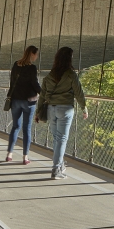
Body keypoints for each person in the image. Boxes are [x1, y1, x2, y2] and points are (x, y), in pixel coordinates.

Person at [36, 47, 88, 179]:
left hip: (50, 109)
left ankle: (59, 165)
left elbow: (42, 95)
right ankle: (56, 170)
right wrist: (84, 108)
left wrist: (38, 111)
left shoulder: (50, 75)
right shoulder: (71, 74)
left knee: (57, 139)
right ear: (69, 59)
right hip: (65, 109)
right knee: (61, 139)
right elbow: (79, 93)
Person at [5, 46, 41, 164]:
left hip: (15, 100)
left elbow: (12, 81)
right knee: (26, 129)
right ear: (32, 54)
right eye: (36, 54)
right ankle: (25, 157)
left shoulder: (16, 64)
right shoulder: (32, 68)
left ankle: (9, 154)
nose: (37, 56)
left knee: (15, 127)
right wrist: (43, 93)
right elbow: (34, 83)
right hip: (29, 101)